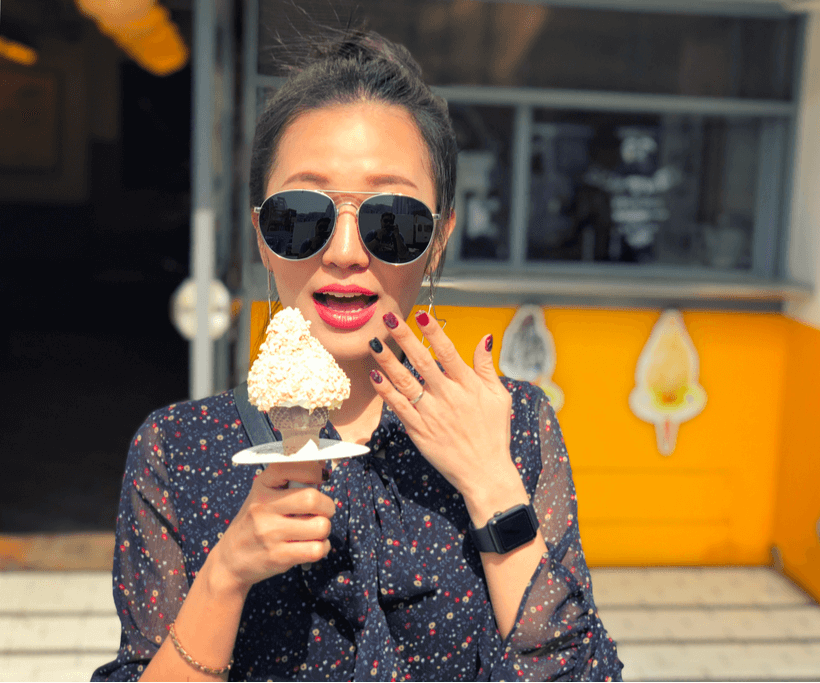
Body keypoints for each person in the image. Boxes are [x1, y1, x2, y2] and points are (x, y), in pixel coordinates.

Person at [93, 27, 622, 682]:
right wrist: (226, 574)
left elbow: (580, 672)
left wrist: (490, 482)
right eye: (303, 214)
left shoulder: (512, 424)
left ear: (440, 236)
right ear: (262, 233)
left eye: (392, 219)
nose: (345, 251)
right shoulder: (179, 449)